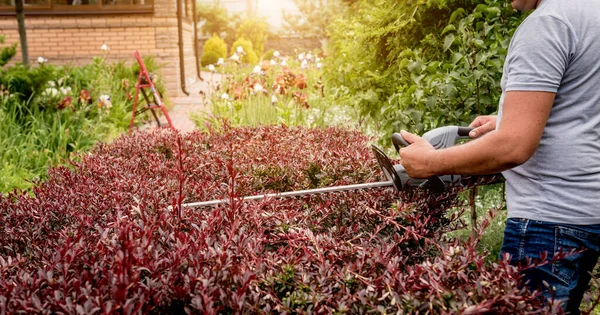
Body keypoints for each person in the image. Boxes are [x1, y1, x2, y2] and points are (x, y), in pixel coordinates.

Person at [398, 0, 600, 313]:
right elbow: (584, 105)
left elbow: (512, 147)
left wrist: (430, 163)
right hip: (590, 213)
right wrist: (510, 116)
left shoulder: (547, 25)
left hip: (549, 222)